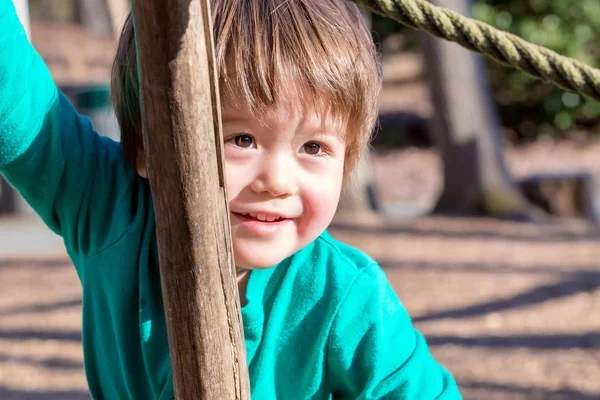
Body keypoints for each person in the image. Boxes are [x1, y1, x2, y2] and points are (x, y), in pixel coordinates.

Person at [0, 0, 462, 398]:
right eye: (241, 139)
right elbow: (12, 88)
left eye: (314, 148)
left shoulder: (346, 294)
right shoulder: (105, 209)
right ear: (145, 148)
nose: (277, 181)